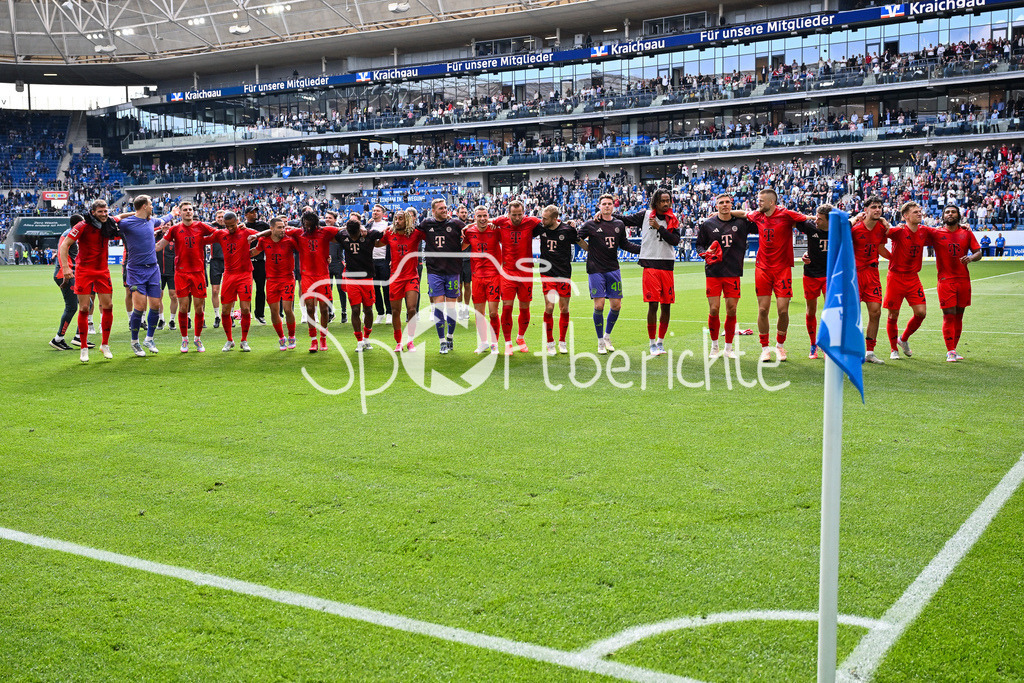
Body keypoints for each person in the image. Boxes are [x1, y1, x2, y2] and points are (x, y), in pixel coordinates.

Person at [732, 188, 809, 362]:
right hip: (762, 268)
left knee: (783, 310)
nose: (758, 203)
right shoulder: (758, 215)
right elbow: (744, 213)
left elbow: (808, 220)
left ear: (771, 203)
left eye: (761, 200)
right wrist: (725, 211)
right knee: (763, 309)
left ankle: (780, 346)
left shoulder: (787, 215)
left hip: (782, 269)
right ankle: (765, 348)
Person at [616, 188, 681, 356]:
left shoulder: (673, 219)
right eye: (662, 201)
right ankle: (652, 343)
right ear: (656, 202)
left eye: (668, 200)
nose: (666, 203)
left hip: (667, 265)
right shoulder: (645, 215)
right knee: (653, 304)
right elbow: (624, 220)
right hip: (650, 265)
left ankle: (661, 342)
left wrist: (659, 228)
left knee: (666, 306)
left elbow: (675, 241)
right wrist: (605, 215)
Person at [697, 193, 758, 359]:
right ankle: (715, 346)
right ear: (716, 205)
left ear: (732, 205)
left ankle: (729, 349)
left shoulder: (742, 223)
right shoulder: (708, 224)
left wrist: (739, 213)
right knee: (714, 309)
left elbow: (759, 217)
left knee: (731, 310)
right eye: (721, 203)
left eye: (727, 202)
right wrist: (705, 253)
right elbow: (699, 245)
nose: (724, 205)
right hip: (713, 272)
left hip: (733, 272)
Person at [578, 194, 640, 354]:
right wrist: (587, 247)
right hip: (595, 269)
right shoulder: (590, 224)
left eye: (609, 204)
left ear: (613, 206)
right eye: (604, 204)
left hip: (613, 269)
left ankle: (607, 336)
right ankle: (599, 341)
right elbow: (576, 237)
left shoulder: (619, 224)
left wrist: (643, 249)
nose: (607, 206)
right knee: (599, 305)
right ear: (599, 206)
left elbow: (624, 244)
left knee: (616, 305)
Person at [58, 199, 119, 362]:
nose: (104, 214)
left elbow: (121, 217)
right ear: (93, 212)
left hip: (102, 271)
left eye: (106, 211)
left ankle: (105, 345)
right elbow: (65, 246)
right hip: (84, 271)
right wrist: (65, 268)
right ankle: (83, 347)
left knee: (108, 306)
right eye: (100, 211)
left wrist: (137, 213)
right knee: (84, 308)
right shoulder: (82, 226)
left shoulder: (108, 223)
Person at [117, 195, 176, 357]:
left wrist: (173, 213)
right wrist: (129, 214)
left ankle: (149, 339)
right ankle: (135, 341)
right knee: (140, 307)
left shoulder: (151, 221)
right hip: (136, 270)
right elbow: (113, 220)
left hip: (153, 270)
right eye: (150, 204)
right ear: (143, 206)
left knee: (156, 305)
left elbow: (163, 219)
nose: (152, 206)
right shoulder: (126, 223)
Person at [156, 200, 216, 353]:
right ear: (180, 213)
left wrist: (233, 228)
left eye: (190, 209)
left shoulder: (201, 226)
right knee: (183, 307)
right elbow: (159, 246)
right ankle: (184, 340)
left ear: (193, 212)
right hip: (181, 273)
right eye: (185, 209)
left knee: (199, 308)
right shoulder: (175, 229)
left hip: (198, 273)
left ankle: (197, 338)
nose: (188, 211)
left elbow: (217, 234)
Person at [924, 205, 982, 362]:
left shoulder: (966, 233)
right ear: (943, 216)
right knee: (949, 315)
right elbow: (916, 233)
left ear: (958, 215)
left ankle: (954, 349)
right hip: (945, 281)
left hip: (963, 280)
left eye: (953, 212)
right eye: (947, 212)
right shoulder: (936, 233)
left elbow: (979, 252)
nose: (950, 214)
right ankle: (950, 351)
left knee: (959, 316)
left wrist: (971, 257)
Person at [283, 210, 342, 353]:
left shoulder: (325, 231)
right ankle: (313, 339)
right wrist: (258, 234)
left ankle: (323, 338)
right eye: (305, 225)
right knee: (310, 308)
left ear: (315, 223)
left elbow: (343, 229)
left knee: (323, 309)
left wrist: (363, 228)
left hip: (322, 276)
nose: (307, 228)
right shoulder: (298, 233)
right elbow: (277, 231)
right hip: (307, 276)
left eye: (309, 225)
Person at [203, 211, 258, 352]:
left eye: (233, 225)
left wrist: (257, 250)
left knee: (245, 308)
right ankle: (229, 340)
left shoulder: (246, 232)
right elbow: (203, 240)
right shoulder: (221, 234)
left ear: (238, 221)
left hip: (245, 274)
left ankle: (244, 340)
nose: (231, 228)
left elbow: (264, 236)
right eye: (228, 226)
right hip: (229, 275)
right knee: (226, 310)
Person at [417, 198, 465, 354]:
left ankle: (450, 336)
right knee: (439, 305)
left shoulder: (456, 224)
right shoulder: (426, 224)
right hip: (434, 271)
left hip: (453, 270)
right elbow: (413, 233)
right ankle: (442, 341)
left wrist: (460, 249)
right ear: (433, 211)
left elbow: (470, 233)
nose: (444, 210)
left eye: (445, 208)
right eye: (441, 208)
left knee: (451, 307)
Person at [883, 201, 930, 360]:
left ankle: (902, 339)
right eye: (915, 212)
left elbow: (944, 232)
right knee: (892, 315)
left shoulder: (924, 231)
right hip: (895, 277)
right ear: (905, 216)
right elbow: (878, 234)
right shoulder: (898, 231)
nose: (919, 213)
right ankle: (892, 349)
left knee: (921, 313)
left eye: (919, 211)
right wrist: (883, 221)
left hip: (913, 278)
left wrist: (961, 226)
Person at [493, 200, 541, 354]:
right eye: (514, 215)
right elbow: (483, 221)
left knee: (525, 307)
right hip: (507, 272)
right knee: (507, 308)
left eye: (520, 214)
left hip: (526, 273)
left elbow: (551, 219)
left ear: (523, 212)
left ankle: (520, 337)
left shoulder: (531, 221)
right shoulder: (501, 222)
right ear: (508, 214)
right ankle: (507, 343)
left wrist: (572, 222)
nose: (517, 217)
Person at [850, 196, 891, 365]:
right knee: (853, 315)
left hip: (872, 274)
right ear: (865, 210)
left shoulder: (881, 228)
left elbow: (880, 247)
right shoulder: (855, 228)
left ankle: (870, 351)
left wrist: (894, 259)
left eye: (880, 207)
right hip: (854, 276)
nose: (877, 209)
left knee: (876, 312)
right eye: (873, 207)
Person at [533, 204, 577, 355]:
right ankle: (550, 342)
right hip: (547, 272)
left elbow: (579, 240)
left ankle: (562, 341)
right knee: (549, 308)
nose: (542, 220)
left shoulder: (567, 230)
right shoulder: (540, 228)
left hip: (564, 273)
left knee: (564, 308)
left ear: (554, 218)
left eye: (545, 218)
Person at [337, 217, 385, 351]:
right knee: (355, 309)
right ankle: (359, 340)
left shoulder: (369, 234)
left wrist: (366, 229)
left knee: (368, 309)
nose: (352, 237)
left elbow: (384, 232)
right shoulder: (343, 235)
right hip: (351, 278)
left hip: (367, 278)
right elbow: (332, 233)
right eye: (350, 234)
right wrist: (343, 229)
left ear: (360, 230)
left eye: (355, 234)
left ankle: (367, 337)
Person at [250, 216, 298, 350]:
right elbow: (255, 252)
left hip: (287, 279)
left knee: (288, 309)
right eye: (279, 227)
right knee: (274, 311)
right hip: (271, 280)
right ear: (271, 229)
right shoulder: (264, 241)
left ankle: (292, 336)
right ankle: (281, 338)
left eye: (283, 227)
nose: (283, 230)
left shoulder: (290, 240)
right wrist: (240, 255)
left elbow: (303, 250)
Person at [379, 209, 424, 352]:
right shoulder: (389, 234)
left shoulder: (416, 234)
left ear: (407, 220)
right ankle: (399, 342)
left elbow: (431, 233)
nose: (397, 221)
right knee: (395, 311)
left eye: (400, 219)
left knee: (411, 309)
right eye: (396, 219)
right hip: (395, 278)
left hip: (411, 277)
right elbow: (376, 244)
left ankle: (410, 340)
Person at [49, 214, 94, 351]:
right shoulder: (71, 234)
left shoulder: (68, 233)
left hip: (67, 273)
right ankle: (58, 339)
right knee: (72, 306)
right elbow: (63, 249)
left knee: (87, 304)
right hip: (66, 274)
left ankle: (79, 337)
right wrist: (66, 272)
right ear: (79, 224)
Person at [462, 206, 503, 354]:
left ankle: (494, 344)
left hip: (494, 276)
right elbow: (461, 247)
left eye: (485, 216)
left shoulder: (495, 230)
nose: (482, 219)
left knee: (493, 313)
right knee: (479, 313)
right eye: (479, 216)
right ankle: (484, 342)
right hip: (477, 277)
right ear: (475, 218)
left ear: (488, 216)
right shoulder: (469, 232)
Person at [800, 205, 832, 359]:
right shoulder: (810, 227)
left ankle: (826, 344)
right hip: (811, 275)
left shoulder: (838, 230)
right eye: (815, 217)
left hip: (830, 275)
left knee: (829, 311)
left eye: (820, 218)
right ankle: (813, 344)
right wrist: (811, 217)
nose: (816, 220)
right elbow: (793, 218)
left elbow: (853, 220)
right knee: (811, 310)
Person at [244, 206, 269, 325]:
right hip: (246, 262)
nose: (255, 214)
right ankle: (246, 313)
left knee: (260, 289)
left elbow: (271, 234)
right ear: (246, 215)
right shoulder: (242, 227)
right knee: (245, 290)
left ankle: (259, 314)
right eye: (252, 212)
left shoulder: (263, 225)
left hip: (259, 261)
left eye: (255, 212)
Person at [368, 204, 392, 325]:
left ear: (383, 213)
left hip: (384, 260)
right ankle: (380, 313)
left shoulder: (387, 226)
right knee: (375, 289)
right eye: (373, 211)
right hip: (371, 260)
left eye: (377, 211)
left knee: (386, 287)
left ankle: (389, 313)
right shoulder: (369, 225)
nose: (375, 212)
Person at [326, 211, 349, 324]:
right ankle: (330, 312)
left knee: (341, 289)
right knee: (328, 290)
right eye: (326, 217)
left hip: (338, 263)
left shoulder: (340, 232)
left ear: (335, 219)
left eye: (330, 218)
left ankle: (344, 312)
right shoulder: (323, 232)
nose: (327, 219)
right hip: (327, 265)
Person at [209, 209, 226, 328]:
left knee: (229, 290)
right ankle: (217, 316)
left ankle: (230, 315)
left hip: (229, 262)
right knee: (215, 290)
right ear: (216, 218)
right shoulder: (211, 228)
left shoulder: (231, 226)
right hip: (215, 261)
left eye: (222, 216)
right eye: (218, 216)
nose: (220, 218)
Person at [456, 204, 473, 320]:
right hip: (456, 260)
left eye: (465, 212)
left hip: (468, 260)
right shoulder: (454, 225)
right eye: (462, 212)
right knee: (459, 286)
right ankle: (460, 308)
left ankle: (466, 309)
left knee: (467, 285)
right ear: (457, 214)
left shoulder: (470, 226)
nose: (464, 214)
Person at [156, 235, 177, 330]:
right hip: (158, 272)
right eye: (165, 224)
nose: (166, 226)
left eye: (168, 224)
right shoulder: (156, 237)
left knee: (173, 296)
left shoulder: (175, 238)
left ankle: (172, 320)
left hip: (172, 272)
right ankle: (161, 319)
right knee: (158, 296)